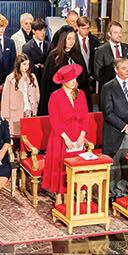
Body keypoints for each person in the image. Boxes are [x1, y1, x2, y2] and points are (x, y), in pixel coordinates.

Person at [38, 64, 95, 196]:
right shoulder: (55, 96)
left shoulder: (81, 94)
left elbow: (85, 117)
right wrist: (67, 138)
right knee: (61, 166)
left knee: (76, 165)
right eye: (71, 79)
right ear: (63, 81)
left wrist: (81, 136)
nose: (75, 82)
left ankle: (76, 191)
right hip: (61, 137)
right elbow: (54, 120)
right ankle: (59, 195)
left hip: (77, 134)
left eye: (75, 79)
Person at [99, 54, 128, 178]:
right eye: (124, 68)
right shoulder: (108, 87)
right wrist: (125, 127)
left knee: (127, 167)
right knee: (113, 168)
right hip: (115, 132)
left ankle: (125, 192)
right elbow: (108, 113)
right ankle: (111, 194)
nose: (127, 71)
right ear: (116, 70)